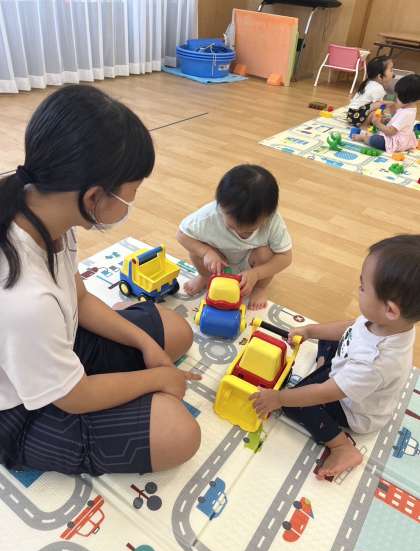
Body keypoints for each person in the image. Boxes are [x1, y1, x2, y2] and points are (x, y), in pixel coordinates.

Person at [0, 85, 201, 476]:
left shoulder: (47, 209)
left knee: (176, 332)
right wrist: (156, 378)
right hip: (20, 409)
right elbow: (73, 397)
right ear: (94, 197)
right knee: (178, 432)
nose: (130, 204)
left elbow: (80, 299)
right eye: (131, 194)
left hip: (53, 345)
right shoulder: (26, 299)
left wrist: (144, 344)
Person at [251, 235, 418, 479]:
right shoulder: (386, 322)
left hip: (353, 410)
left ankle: (342, 447)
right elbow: (352, 328)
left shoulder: (376, 362)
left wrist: (278, 398)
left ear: (390, 310)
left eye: (363, 287)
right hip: (349, 374)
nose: (357, 289)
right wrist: (310, 331)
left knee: (297, 405)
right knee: (328, 336)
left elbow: (323, 393)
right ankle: (323, 368)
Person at [176, 164, 292, 310]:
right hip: (218, 261)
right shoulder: (208, 216)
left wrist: (256, 274)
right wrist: (206, 252)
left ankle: (260, 288)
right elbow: (182, 235)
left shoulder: (273, 221)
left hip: (251, 263)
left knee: (266, 254)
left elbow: (285, 257)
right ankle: (204, 276)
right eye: (231, 227)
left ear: (268, 216)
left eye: (250, 230)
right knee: (196, 250)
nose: (240, 232)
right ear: (220, 206)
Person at [352, 74, 420, 152]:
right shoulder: (409, 108)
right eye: (397, 95)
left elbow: (390, 132)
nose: (397, 99)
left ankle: (364, 138)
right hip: (402, 136)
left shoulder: (406, 113)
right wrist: (389, 120)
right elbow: (400, 122)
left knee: (375, 140)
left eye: (400, 98)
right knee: (379, 131)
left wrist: (377, 123)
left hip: (396, 141)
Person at [346, 56, 393, 127]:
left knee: (379, 107)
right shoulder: (378, 88)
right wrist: (392, 103)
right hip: (357, 117)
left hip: (351, 115)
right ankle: (365, 125)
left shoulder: (368, 82)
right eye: (391, 70)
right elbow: (379, 105)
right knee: (380, 105)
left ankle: (369, 121)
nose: (393, 73)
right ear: (380, 76)